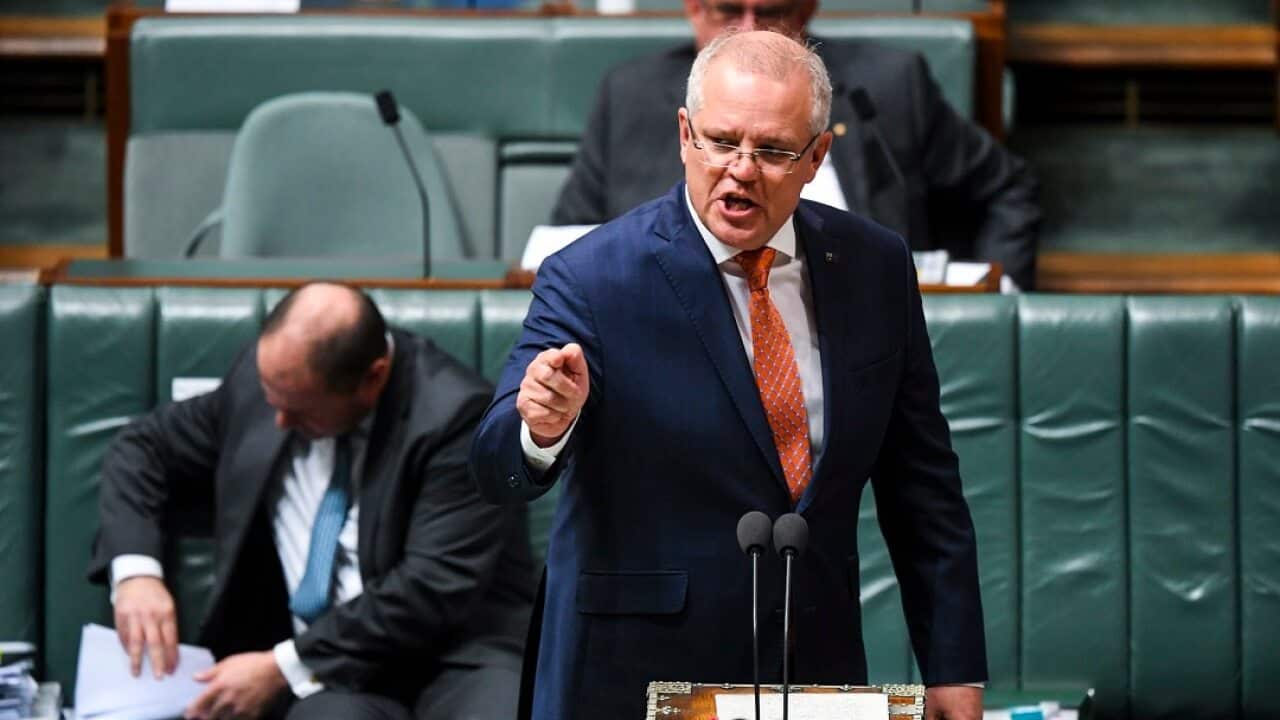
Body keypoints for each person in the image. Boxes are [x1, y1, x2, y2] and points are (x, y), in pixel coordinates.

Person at [472, 30, 987, 720]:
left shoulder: (875, 268)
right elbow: (494, 463)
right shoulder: (593, 277)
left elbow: (924, 489)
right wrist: (540, 428)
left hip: (814, 668)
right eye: (721, 141)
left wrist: (954, 670)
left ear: (817, 157)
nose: (740, 169)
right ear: (686, 135)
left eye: (773, 151)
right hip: (633, 673)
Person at [90, 282, 535, 720]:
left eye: (301, 411)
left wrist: (281, 667)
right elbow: (141, 447)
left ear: (374, 377)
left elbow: (431, 587)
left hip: (458, 656)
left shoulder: (455, 416)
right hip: (334, 676)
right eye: (273, 397)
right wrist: (136, 573)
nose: (279, 419)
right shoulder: (269, 383)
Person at [550, 0, 1041, 290]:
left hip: (862, 338)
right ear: (694, 8)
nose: (747, 32)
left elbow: (1008, 190)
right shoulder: (629, 96)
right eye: (727, 11)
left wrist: (990, 311)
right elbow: (568, 243)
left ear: (806, 9)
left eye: (769, 13)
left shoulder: (891, 86)